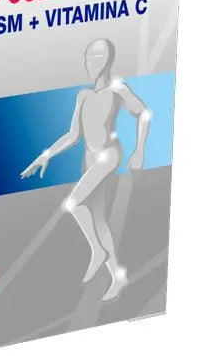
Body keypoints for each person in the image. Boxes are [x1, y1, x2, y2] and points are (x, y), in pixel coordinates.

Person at [20, 38, 150, 301]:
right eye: (87, 57)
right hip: (89, 159)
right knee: (98, 220)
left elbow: (143, 114)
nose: (88, 62)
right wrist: (46, 155)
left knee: (73, 203)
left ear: (107, 60)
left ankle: (97, 251)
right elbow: (73, 135)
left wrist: (139, 151)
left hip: (108, 155)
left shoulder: (117, 89)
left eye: (95, 57)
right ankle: (117, 276)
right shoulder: (83, 95)